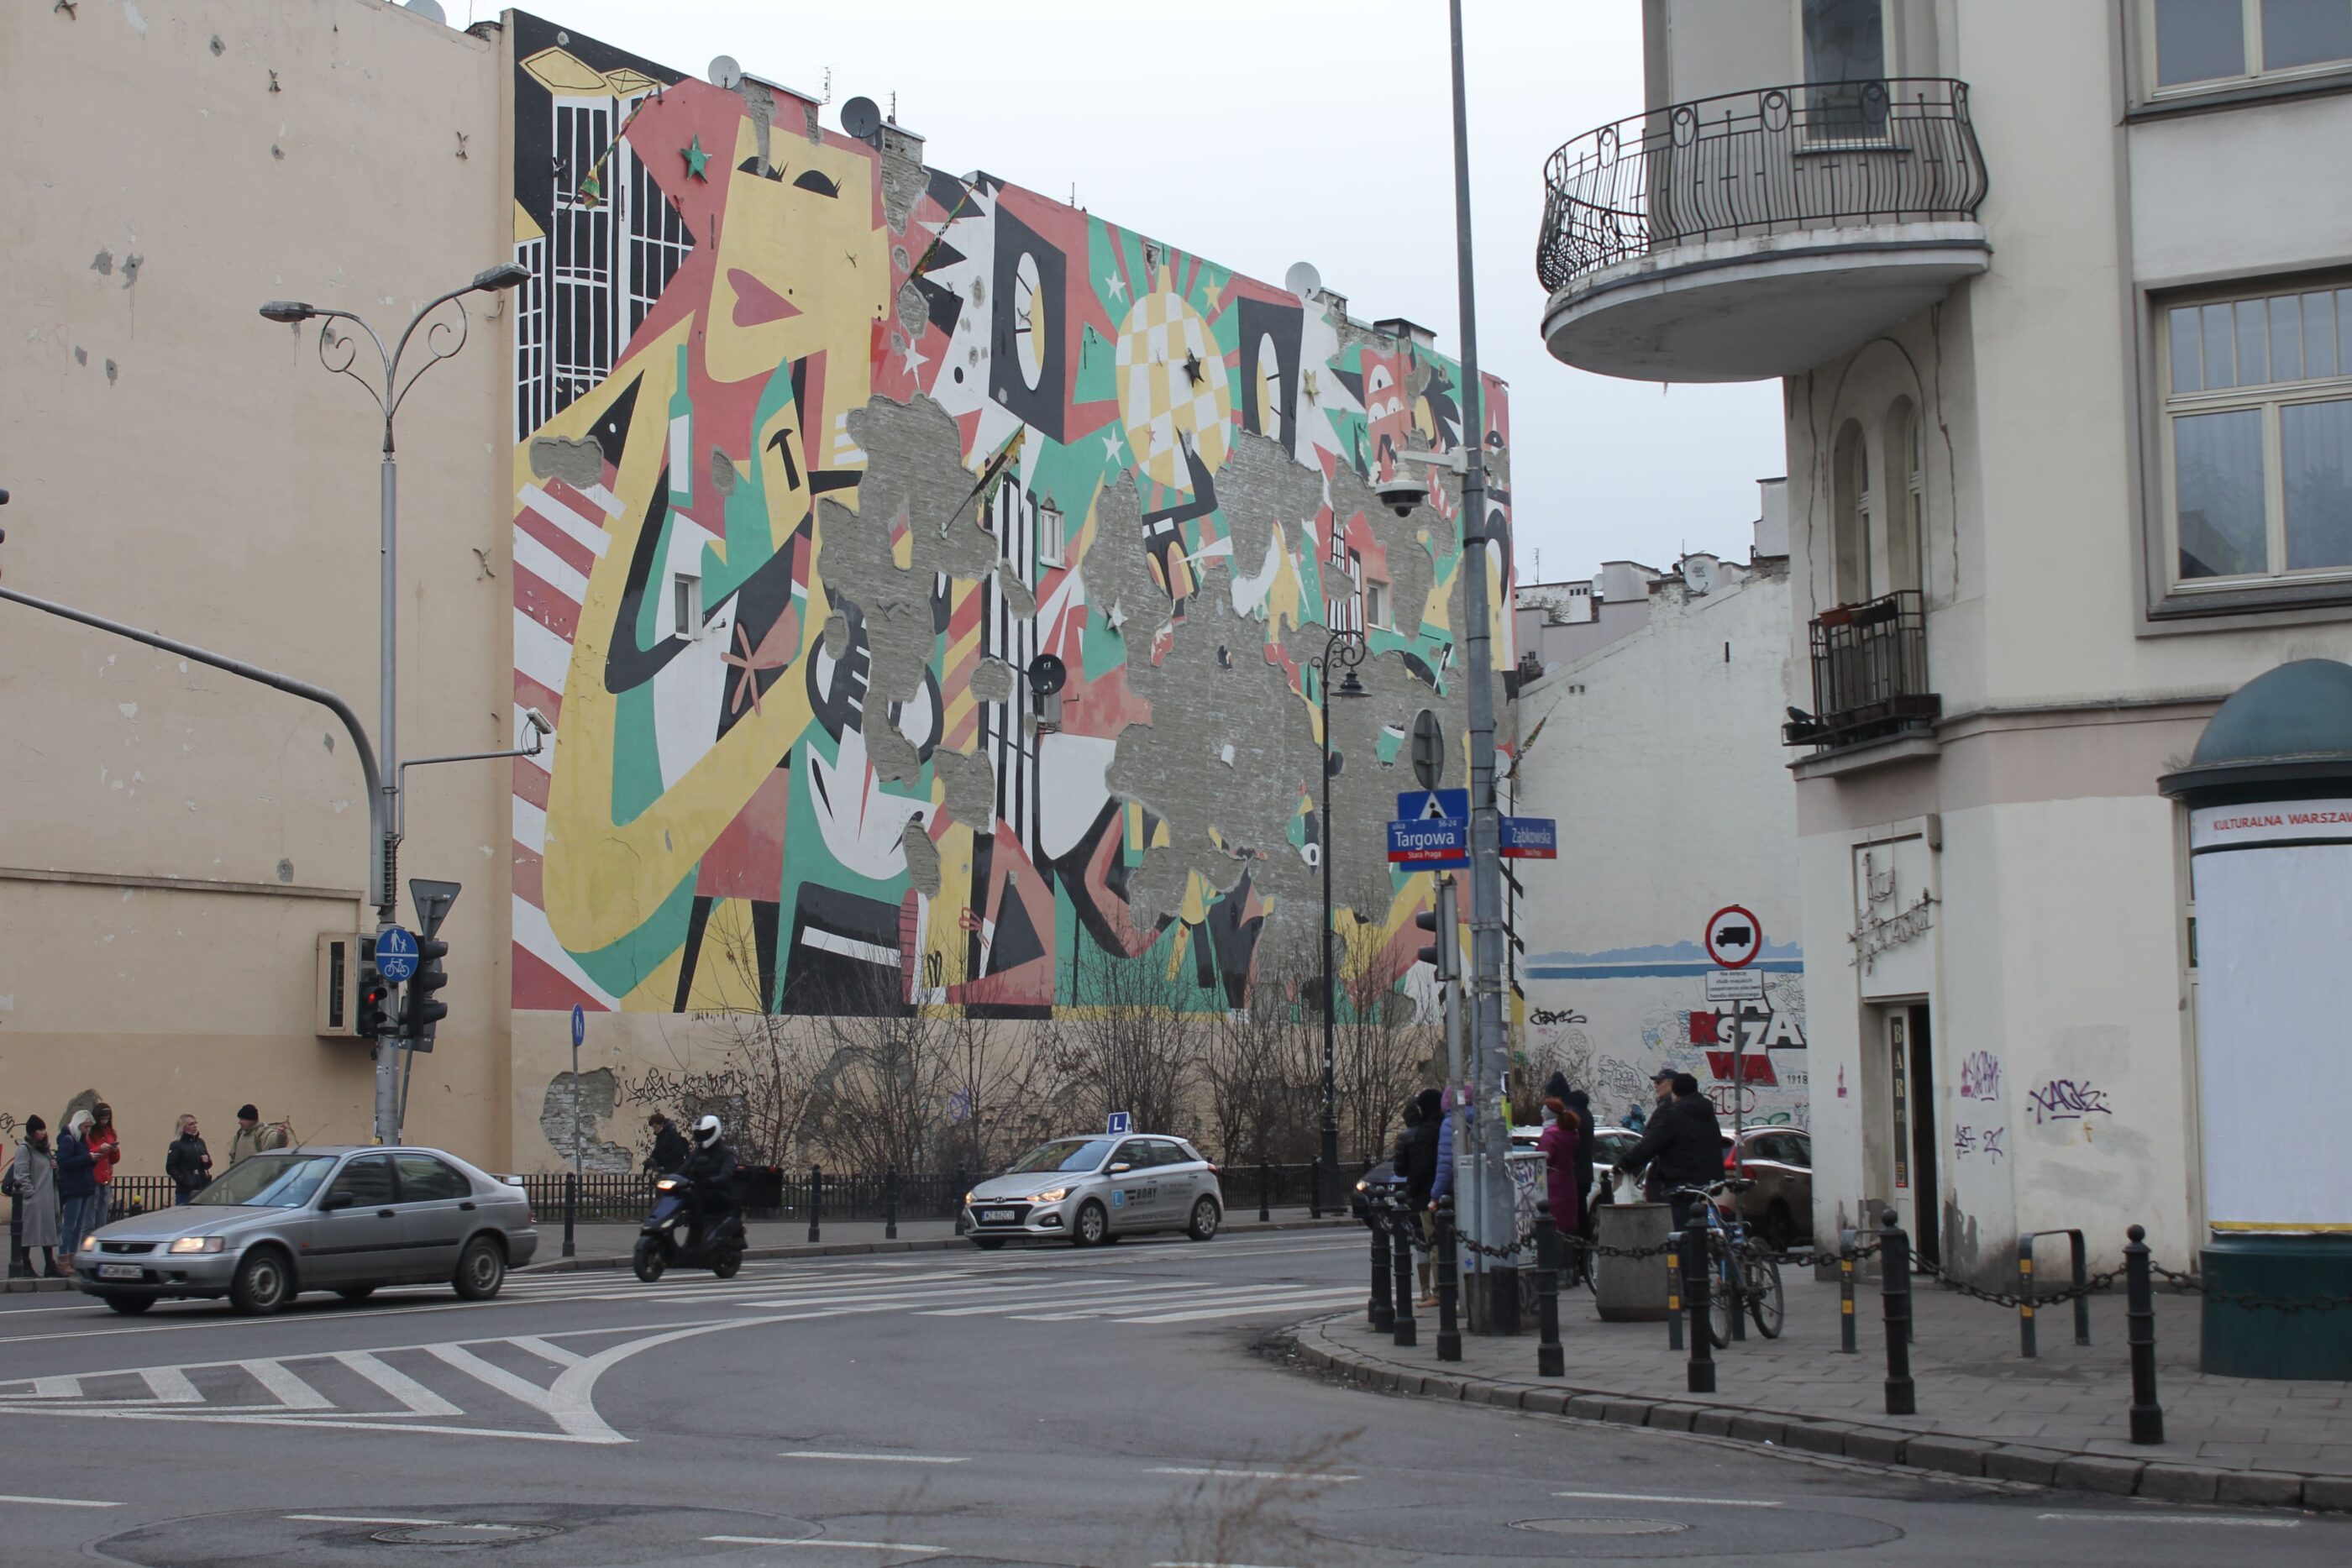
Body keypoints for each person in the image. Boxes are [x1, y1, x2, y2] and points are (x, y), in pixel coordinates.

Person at [1611, 1072, 1724, 1229]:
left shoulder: (1675, 1114)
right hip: (1709, 1182)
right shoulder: (1708, 1114)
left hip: (1682, 1184)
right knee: (1702, 1230)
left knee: (1680, 1231)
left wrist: (1625, 1162)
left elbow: (1651, 1144)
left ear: (1675, 1093)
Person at [1399, 1088, 1442, 1306]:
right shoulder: (1444, 1126)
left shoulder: (1424, 1133)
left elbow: (1418, 1168)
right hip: (1444, 1195)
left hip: (1428, 1196)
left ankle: (1437, 1291)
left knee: (1431, 1244)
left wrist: (1411, 1190)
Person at [8, 1117, 63, 1278]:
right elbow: (21, 1174)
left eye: (44, 1129)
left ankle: (50, 1265)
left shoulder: (45, 1149)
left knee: (47, 1235)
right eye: (39, 1130)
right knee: (27, 1235)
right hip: (33, 1200)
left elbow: (51, 1173)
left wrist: (55, 1167)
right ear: (32, 1132)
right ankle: (26, 1264)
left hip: (46, 1199)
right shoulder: (25, 1149)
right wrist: (30, 1194)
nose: (43, 1133)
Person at [678, 1114, 737, 1245]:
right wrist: (669, 1178)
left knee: (696, 1197)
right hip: (699, 1190)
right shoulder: (697, 1153)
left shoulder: (726, 1153)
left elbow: (727, 1174)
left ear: (714, 1131)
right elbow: (683, 1170)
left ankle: (697, 1240)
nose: (701, 1137)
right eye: (699, 1134)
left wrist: (711, 1181)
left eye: (704, 1134)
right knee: (678, 1196)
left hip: (719, 1194)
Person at [55, 1110, 101, 1264]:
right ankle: (63, 1257)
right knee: (70, 1225)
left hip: (83, 1185)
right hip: (73, 1187)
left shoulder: (81, 1140)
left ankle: (72, 1256)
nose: (87, 1130)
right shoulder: (68, 1140)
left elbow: (83, 1163)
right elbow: (64, 1162)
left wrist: (93, 1159)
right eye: (86, 1127)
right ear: (78, 1124)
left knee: (78, 1226)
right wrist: (88, 1158)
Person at [1537, 1095, 1583, 1242]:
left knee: (1552, 1226)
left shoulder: (1549, 1135)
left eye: (1543, 1111)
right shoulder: (1570, 1133)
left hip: (1552, 1187)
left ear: (1547, 1115)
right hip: (1568, 1184)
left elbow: (1542, 1161)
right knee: (1567, 1226)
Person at [87, 1103, 121, 1225]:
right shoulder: (90, 1133)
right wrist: (99, 1149)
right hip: (93, 1177)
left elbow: (113, 1160)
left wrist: (114, 1151)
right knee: (90, 1215)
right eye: (102, 1119)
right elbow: (87, 1153)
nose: (105, 1122)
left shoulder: (111, 1132)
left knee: (102, 1215)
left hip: (106, 1177)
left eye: (107, 1119)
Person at [166, 1114, 213, 1204]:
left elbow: (208, 1165)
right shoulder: (177, 1145)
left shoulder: (200, 1142)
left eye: (195, 1123)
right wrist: (184, 1180)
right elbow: (170, 1167)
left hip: (202, 1187)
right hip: (185, 1191)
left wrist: (206, 1161)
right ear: (183, 1127)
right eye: (191, 1124)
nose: (195, 1126)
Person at [644, 1112, 690, 1177]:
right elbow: (657, 1151)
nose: (654, 1129)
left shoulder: (671, 1135)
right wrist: (651, 1160)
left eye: (655, 1127)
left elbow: (677, 1153)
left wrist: (661, 1162)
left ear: (662, 1124)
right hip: (667, 1169)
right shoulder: (661, 1136)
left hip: (674, 1170)